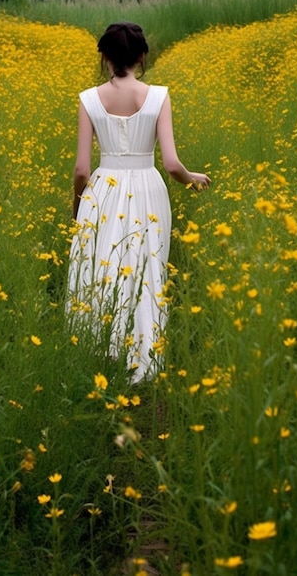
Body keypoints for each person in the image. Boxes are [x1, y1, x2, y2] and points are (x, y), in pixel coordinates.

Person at [67, 21, 211, 383]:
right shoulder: (160, 96)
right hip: (147, 186)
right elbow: (172, 164)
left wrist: (78, 201)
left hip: (102, 189)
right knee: (146, 267)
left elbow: (82, 168)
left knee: (102, 266)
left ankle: (102, 347)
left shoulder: (88, 99)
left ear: (104, 56)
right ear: (142, 56)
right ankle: (144, 351)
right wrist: (193, 179)